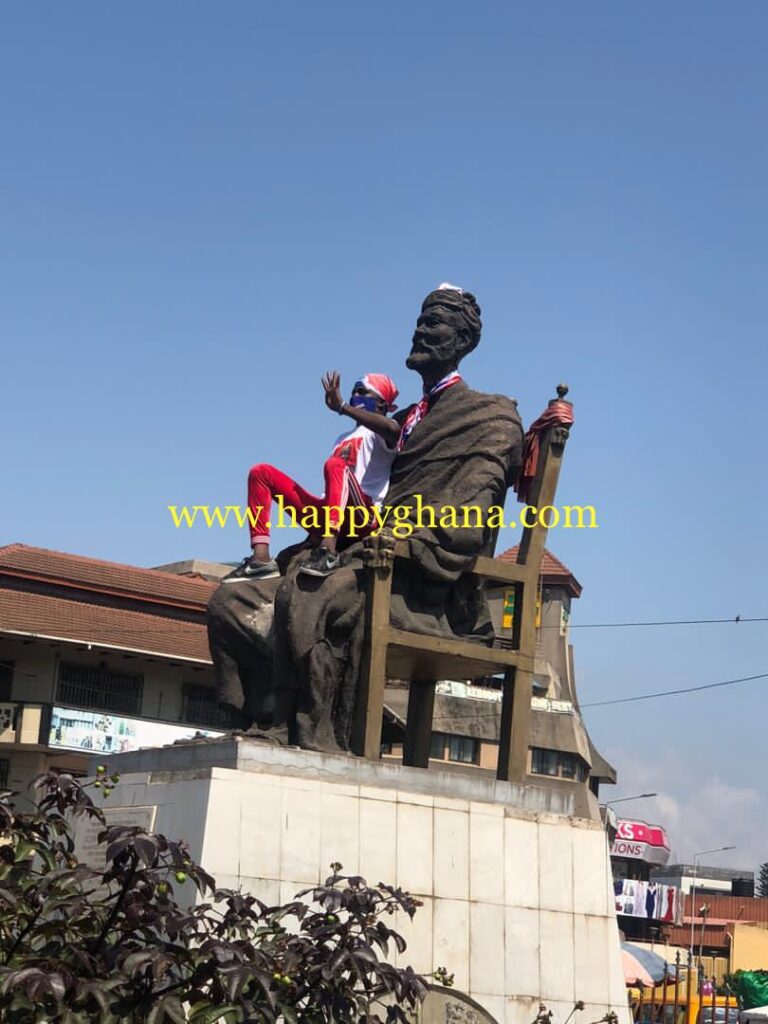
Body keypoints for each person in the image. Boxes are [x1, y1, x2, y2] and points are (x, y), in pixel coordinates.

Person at [222, 371, 400, 582]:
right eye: (353, 392)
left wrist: (343, 407)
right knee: (261, 472)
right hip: (328, 513)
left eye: (362, 392)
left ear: (382, 404)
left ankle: (328, 549)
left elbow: (392, 428)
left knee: (335, 465)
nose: (355, 396)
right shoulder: (342, 438)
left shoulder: (382, 434)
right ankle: (260, 559)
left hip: (362, 517)